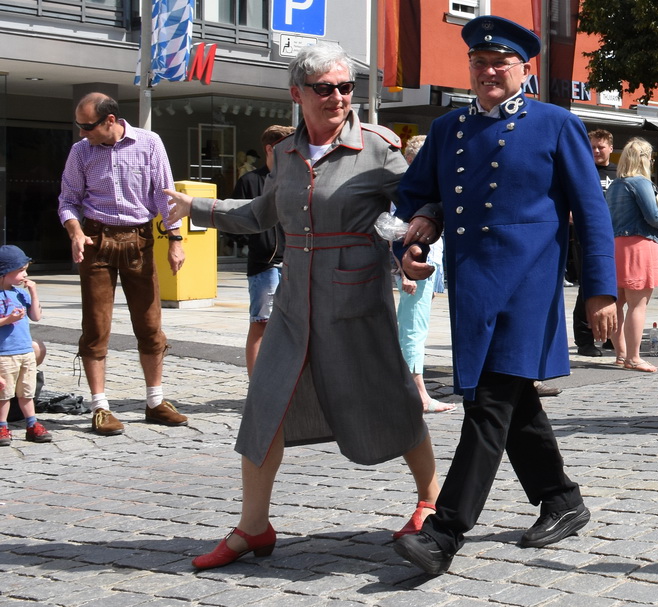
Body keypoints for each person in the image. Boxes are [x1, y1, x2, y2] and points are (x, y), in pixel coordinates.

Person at [166, 43, 439, 569]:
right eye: (325, 88)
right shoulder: (285, 153)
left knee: (391, 397)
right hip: (294, 303)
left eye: (345, 87)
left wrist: (411, 250)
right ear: (297, 94)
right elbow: (263, 211)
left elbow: (419, 203)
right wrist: (197, 206)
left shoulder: (378, 146)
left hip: (356, 298)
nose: (338, 97)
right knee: (263, 405)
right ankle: (253, 528)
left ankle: (430, 500)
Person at [393, 16, 618, 576]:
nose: (489, 71)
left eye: (501, 63)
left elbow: (592, 215)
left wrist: (601, 291)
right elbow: (415, 193)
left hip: (528, 286)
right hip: (473, 287)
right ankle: (561, 498)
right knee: (511, 402)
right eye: (479, 63)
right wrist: (422, 221)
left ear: (524, 69)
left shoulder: (557, 124)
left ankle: (444, 532)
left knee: (489, 402)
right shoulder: (448, 130)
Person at [57, 92, 190, 436]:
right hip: (96, 240)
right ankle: (100, 407)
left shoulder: (148, 142)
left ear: (110, 121)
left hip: (140, 240)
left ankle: (155, 402)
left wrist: (175, 241)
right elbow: (68, 200)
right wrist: (74, 231)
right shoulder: (80, 151)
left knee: (149, 323)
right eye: (79, 126)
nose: (82, 133)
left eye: (87, 126)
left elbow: (165, 194)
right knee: (97, 326)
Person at [396, 135, 455, 414]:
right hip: (415, 267)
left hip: (428, 266)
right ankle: (417, 393)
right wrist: (403, 272)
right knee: (413, 327)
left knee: (415, 325)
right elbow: (395, 233)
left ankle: (413, 390)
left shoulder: (419, 189)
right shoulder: (409, 190)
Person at [231, 125, 293, 376]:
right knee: (261, 323)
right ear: (271, 149)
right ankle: (256, 384)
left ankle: (286, 382)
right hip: (265, 264)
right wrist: (257, 241)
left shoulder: (293, 178)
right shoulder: (250, 180)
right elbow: (235, 218)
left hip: (293, 262)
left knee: (292, 325)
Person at [606, 138, 658, 372]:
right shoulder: (640, 183)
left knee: (618, 304)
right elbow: (653, 217)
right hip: (639, 244)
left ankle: (622, 355)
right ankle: (634, 357)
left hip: (616, 245)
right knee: (637, 305)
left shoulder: (615, 185)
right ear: (643, 159)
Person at [571, 129, 616, 358]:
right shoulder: (581, 171)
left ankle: (610, 336)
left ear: (610, 148)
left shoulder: (620, 173)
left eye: (601, 147)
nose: (597, 151)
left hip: (615, 236)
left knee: (613, 287)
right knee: (588, 285)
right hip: (584, 235)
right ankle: (585, 340)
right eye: (593, 147)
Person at [0, 246, 51, 447]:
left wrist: (33, 291)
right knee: (4, 394)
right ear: (5, 272)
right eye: (21, 270)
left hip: (25, 352)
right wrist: (7, 319)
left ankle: (32, 424)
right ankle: (2, 426)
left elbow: (36, 316)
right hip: (4, 354)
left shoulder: (20, 294)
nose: (25, 274)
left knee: (27, 392)